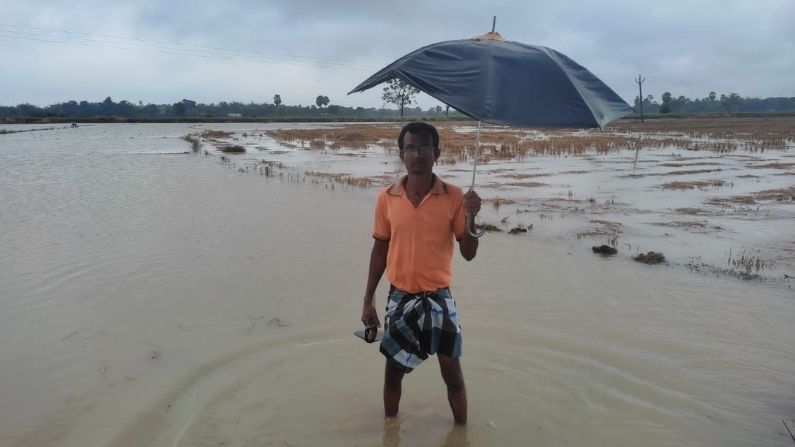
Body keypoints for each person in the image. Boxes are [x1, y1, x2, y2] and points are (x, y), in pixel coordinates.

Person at [360, 121, 481, 425]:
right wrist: (368, 300)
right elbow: (379, 251)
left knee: (453, 376)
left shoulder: (454, 196)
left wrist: (472, 217)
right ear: (401, 154)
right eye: (410, 147)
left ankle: (461, 434)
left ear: (436, 152)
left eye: (424, 147)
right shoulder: (387, 197)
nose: (417, 154)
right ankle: (391, 431)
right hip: (400, 297)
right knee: (392, 375)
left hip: (439, 298)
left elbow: (468, 253)